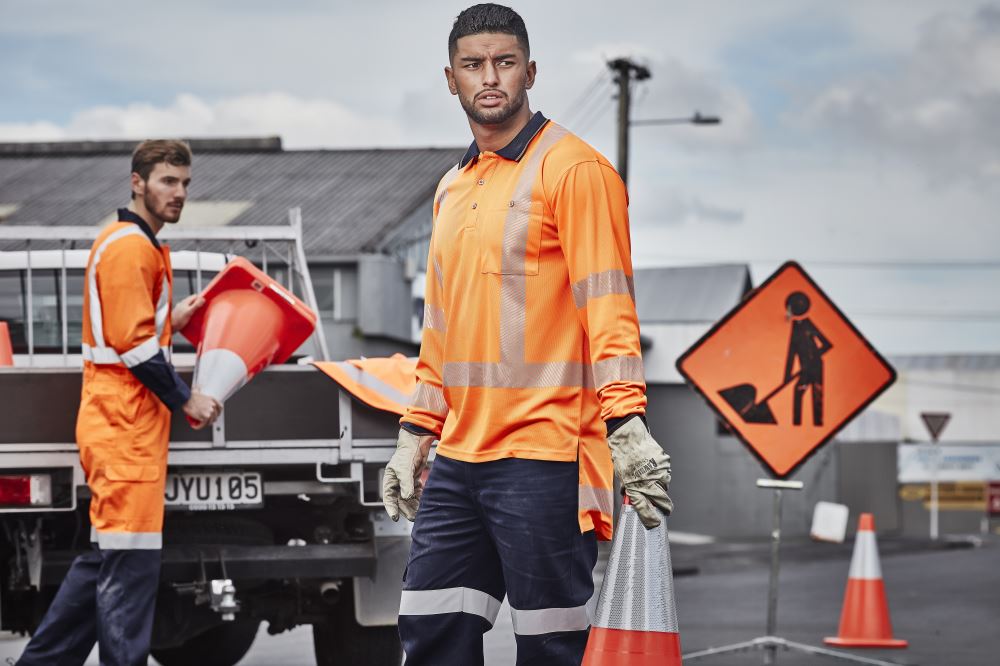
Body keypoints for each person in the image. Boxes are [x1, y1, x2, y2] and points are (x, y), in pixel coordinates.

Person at [382, 5, 673, 664]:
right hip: (459, 460)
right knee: (431, 630)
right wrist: (412, 437)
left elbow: (608, 307)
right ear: (450, 79)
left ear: (530, 72)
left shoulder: (574, 169)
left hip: (546, 455)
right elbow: (440, 334)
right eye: (473, 65)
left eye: (504, 62)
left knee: (551, 645)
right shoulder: (451, 188)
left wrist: (625, 422)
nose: (490, 77)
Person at [17, 140, 221, 666]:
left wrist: (169, 321)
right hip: (124, 430)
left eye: (185, 183)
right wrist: (187, 400)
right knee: (128, 571)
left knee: (103, 564)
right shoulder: (132, 247)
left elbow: (126, 333)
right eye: (168, 182)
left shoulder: (134, 244)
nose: (179, 193)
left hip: (123, 428)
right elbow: (132, 347)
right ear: (137, 182)